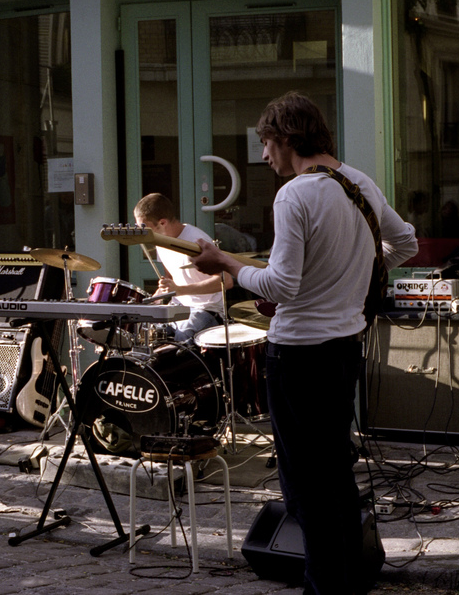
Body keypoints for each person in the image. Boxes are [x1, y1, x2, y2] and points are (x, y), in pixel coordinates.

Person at [190, 92, 418, 595]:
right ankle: (344, 582)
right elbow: (406, 244)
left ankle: (324, 588)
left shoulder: (295, 194)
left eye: (266, 143)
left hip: (297, 355)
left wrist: (226, 263)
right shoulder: (359, 182)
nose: (264, 156)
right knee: (335, 474)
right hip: (343, 350)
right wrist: (353, 279)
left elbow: (281, 287)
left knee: (305, 489)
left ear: (287, 138)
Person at [133, 193, 231, 344]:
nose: (142, 232)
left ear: (162, 223)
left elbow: (226, 281)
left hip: (206, 309)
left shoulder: (197, 241)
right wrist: (152, 301)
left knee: (183, 338)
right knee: (147, 335)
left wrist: (181, 290)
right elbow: (170, 281)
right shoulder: (161, 241)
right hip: (177, 307)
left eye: (144, 227)